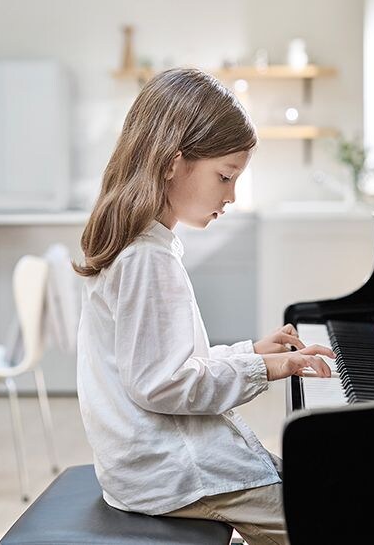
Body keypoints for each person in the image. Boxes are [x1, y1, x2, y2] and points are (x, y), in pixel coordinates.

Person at [73, 68, 335, 545]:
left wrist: (250, 352)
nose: (231, 196)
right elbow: (163, 384)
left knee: (315, 490)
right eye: (226, 176)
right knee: (330, 519)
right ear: (174, 162)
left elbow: (163, 363)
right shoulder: (147, 259)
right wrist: (265, 369)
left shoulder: (143, 246)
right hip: (171, 471)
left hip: (149, 463)